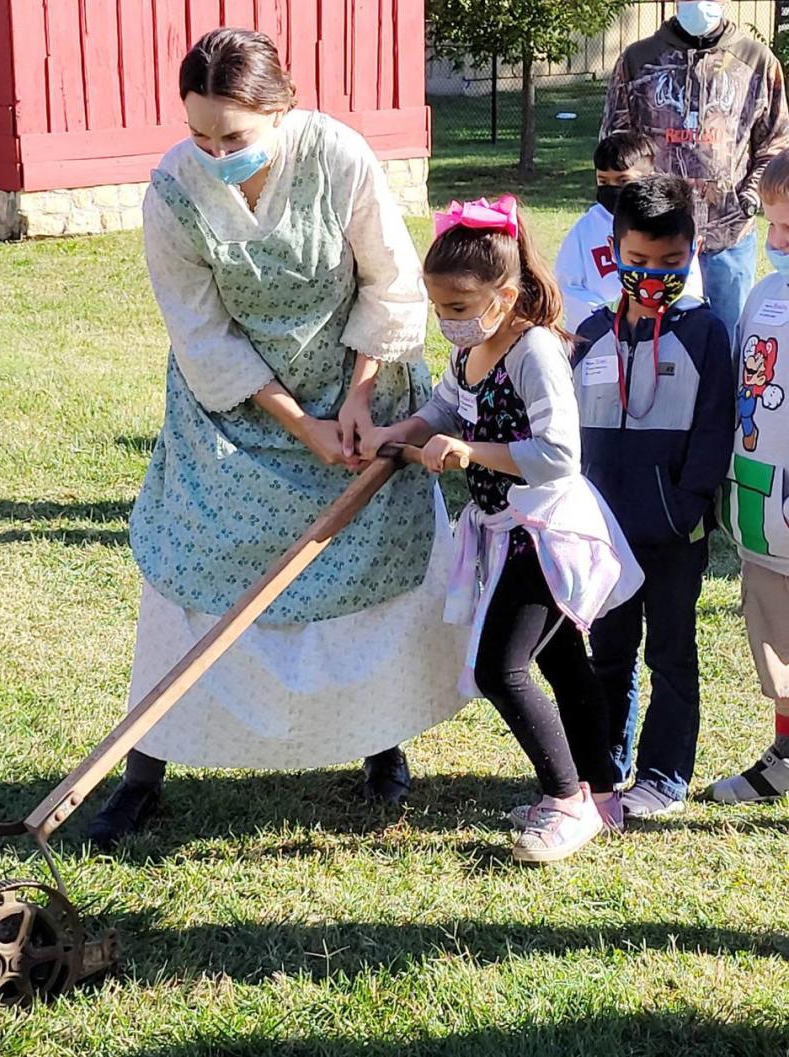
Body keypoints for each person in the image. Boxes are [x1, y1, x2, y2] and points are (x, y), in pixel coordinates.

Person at [86, 30, 467, 850]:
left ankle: (379, 744)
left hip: (356, 386)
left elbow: (390, 280)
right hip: (235, 413)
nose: (216, 151)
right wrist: (298, 422)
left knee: (361, 580)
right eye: (201, 134)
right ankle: (140, 771)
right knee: (192, 576)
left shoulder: (339, 157)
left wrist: (358, 401)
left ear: (281, 111)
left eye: (235, 135)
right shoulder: (173, 193)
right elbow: (203, 333)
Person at [362, 196, 642, 864]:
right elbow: (443, 407)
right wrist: (404, 432)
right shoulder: (473, 353)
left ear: (506, 294)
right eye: (439, 307)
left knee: (500, 667)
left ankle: (566, 801)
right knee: (561, 659)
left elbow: (558, 455)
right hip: (506, 528)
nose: (447, 322)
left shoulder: (533, 352)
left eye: (458, 307)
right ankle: (601, 790)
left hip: (546, 532)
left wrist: (472, 453)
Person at [572, 175, 734, 818]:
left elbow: (716, 427)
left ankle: (665, 774)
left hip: (673, 534)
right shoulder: (587, 334)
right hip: (602, 533)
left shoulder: (705, 333)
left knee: (670, 653)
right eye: (637, 263)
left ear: (692, 253)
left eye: (671, 263)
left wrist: (685, 507)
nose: (653, 276)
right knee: (607, 652)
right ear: (615, 255)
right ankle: (605, 773)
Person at [600, 0, 789, 337]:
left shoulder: (757, 61)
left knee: (728, 340)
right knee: (653, 342)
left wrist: (748, 196)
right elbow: (616, 144)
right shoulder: (637, 60)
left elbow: (775, 144)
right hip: (657, 241)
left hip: (729, 238)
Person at [711, 148, 789, 803]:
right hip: (764, 516)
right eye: (773, 225)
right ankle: (784, 757)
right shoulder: (763, 295)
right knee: (776, 649)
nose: (778, 241)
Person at [555, 131, 703, 331]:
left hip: (663, 329)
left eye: (622, 181)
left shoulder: (668, 223)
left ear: (648, 178)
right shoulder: (585, 229)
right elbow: (568, 285)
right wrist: (607, 315)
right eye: (603, 182)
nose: (612, 189)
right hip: (603, 331)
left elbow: (688, 282)